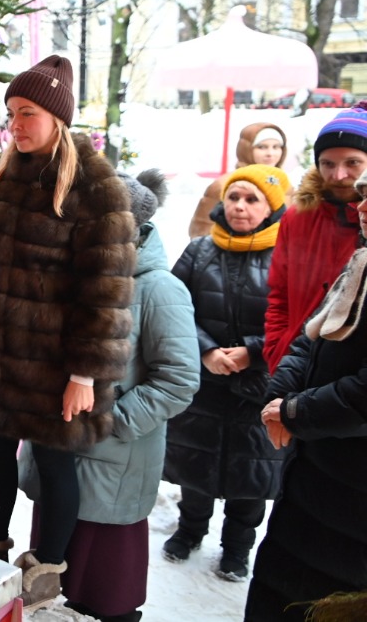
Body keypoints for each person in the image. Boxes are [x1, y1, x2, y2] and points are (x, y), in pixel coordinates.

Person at [0, 54, 137, 607]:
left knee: (55, 461)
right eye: (11, 112)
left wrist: (84, 374)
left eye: (28, 113)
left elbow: (105, 291)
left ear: (58, 118)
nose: (15, 124)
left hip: (58, 361)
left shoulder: (96, 187)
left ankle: (45, 572)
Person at [20, 169, 200, 622]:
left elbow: (178, 379)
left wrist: (111, 419)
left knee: (104, 593)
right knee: (49, 586)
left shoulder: (159, 289)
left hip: (112, 462)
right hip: (59, 459)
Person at [245, 172, 367, 621]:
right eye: (364, 195)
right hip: (312, 480)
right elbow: (309, 340)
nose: (362, 208)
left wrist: (296, 413)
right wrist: (279, 399)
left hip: (355, 503)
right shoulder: (361, 264)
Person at [162, 164, 292, 582]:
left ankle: (237, 547)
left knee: (250, 474)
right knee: (195, 467)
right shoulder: (200, 251)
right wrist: (206, 350)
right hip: (205, 384)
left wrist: (253, 352)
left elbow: (298, 321)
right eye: (233, 197)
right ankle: (189, 530)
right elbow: (174, 309)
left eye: (252, 199)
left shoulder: (289, 255)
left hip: (260, 387)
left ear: (271, 207)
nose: (239, 206)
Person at [263, 101, 367, 372]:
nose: (339, 175)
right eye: (327, 163)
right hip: (294, 365)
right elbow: (280, 295)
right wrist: (276, 351)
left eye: (353, 163)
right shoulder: (298, 216)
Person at [188, 122, 288, 238]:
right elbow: (200, 233)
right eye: (262, 147)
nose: (270, 153)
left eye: (276, 147)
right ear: (246, 149)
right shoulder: (225, 185)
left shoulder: (287, 187)